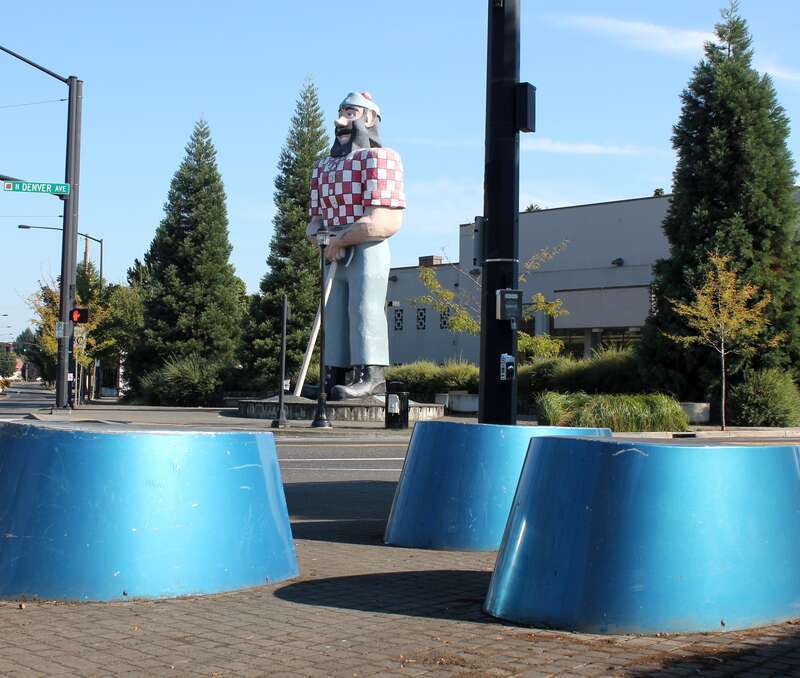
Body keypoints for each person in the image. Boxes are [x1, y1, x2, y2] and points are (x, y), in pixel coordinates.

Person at [307, 91, 405, 399]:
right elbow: (315, 219)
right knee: (332, 311)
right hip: (333, 251)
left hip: (367, 249)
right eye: (340, 113)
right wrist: (324, 240)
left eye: (350, 114)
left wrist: (340, 239)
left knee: (364, 308)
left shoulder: (382, 159)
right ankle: (332, 373)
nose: (340, 121)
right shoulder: (322, 167)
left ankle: (371, 375)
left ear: (370, 119)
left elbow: (385, 221)